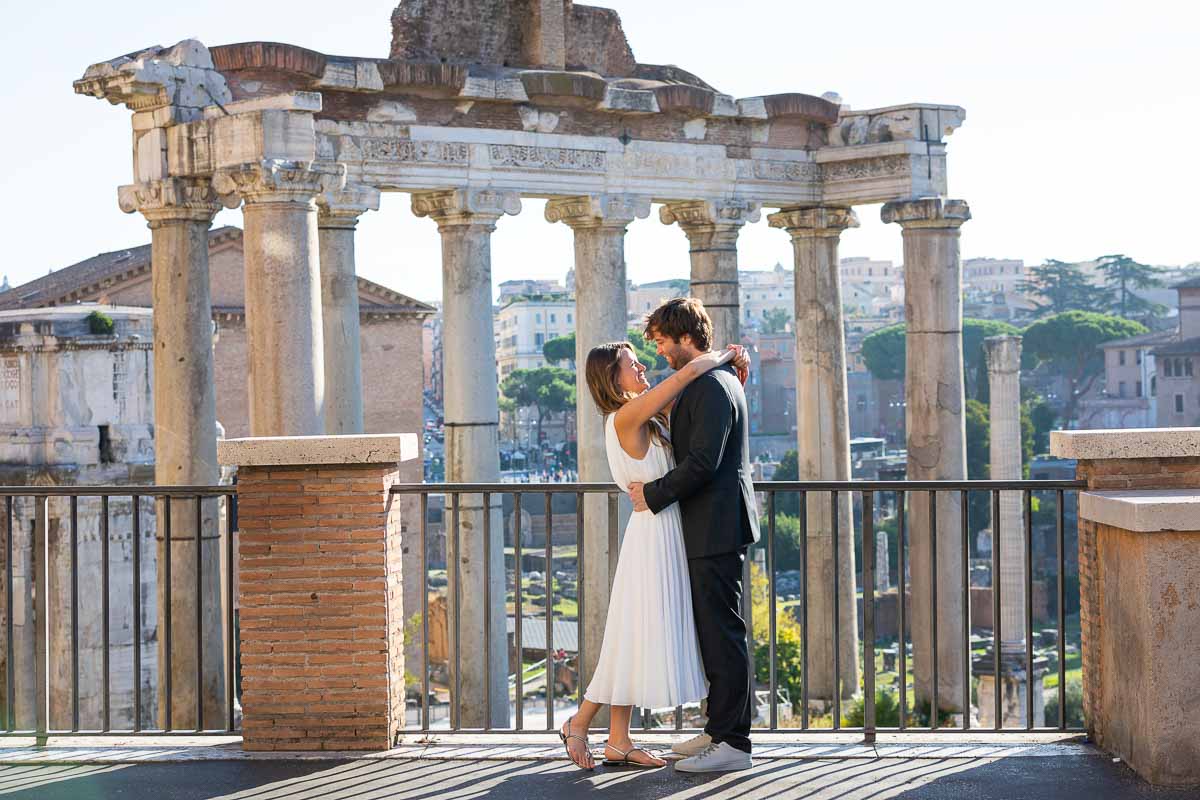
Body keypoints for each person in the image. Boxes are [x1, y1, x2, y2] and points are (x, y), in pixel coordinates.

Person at [557, 334, 748, 770]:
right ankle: (579, 723)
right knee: (630, 636)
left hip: (664, 532)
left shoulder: (644, 415)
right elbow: (687, 375)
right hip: (651, 537)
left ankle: (618, 740)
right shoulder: (627, 415)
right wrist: (725, 354)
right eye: (633, 363)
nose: (642, 369)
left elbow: (704, 419)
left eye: (642, 361)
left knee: (632, 636)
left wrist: (735, 377)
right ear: (612, 376)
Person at [629, 297, 760, 773]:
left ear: (686, 337)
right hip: (715, 523)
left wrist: (652, 493)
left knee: (724, 635)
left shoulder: (709, 387)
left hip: (716, 526)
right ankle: (718, 730)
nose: (660, 350)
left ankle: (733, 744)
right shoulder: (713, 381)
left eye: (663, 340)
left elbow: (703, 462)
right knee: (717, 632)